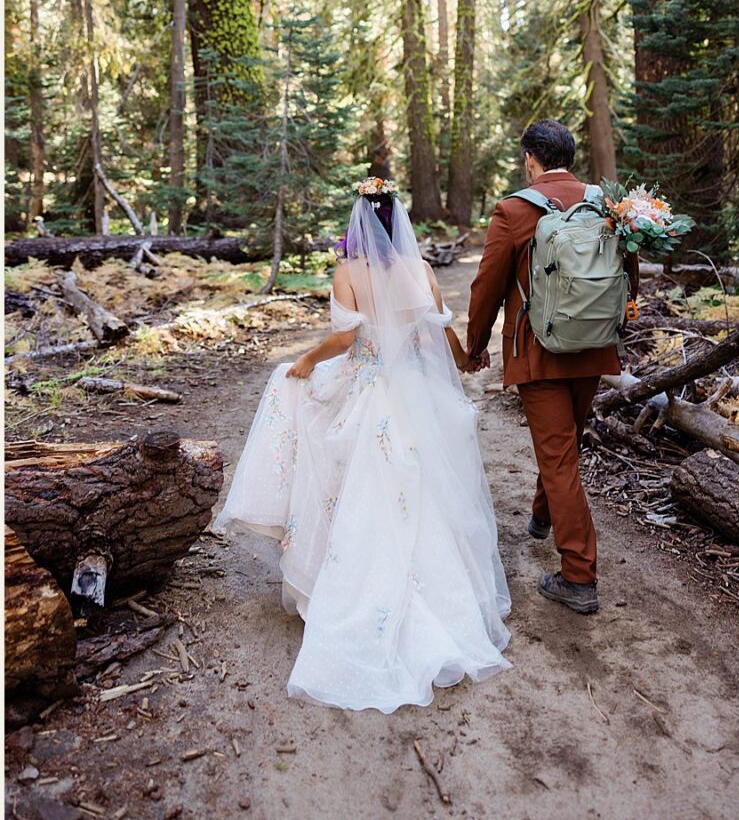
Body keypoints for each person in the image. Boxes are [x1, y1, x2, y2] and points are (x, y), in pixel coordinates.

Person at [215, 179, 511, 711]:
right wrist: (466, 360)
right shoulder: (419, 270)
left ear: (359, 221)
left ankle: (339, 579)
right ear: (397, 219)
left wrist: (307, 359)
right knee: (418, 489)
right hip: (414, 390)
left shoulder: (348, 272)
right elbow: (440, 330)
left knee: (319, 432)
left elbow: (347, 339)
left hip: (371, 386)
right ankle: (438, 594)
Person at [464, 120, 636, 615]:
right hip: (593, 347)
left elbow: (487, 286)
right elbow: (628, 269)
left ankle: (578, 577)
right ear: (570, 156)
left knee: (559, 457)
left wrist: (476, 346)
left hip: (538, 353)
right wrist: (617, 324)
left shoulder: (514, 210)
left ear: (529, 159)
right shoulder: (606, 204)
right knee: (565, 447)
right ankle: (543, 516)